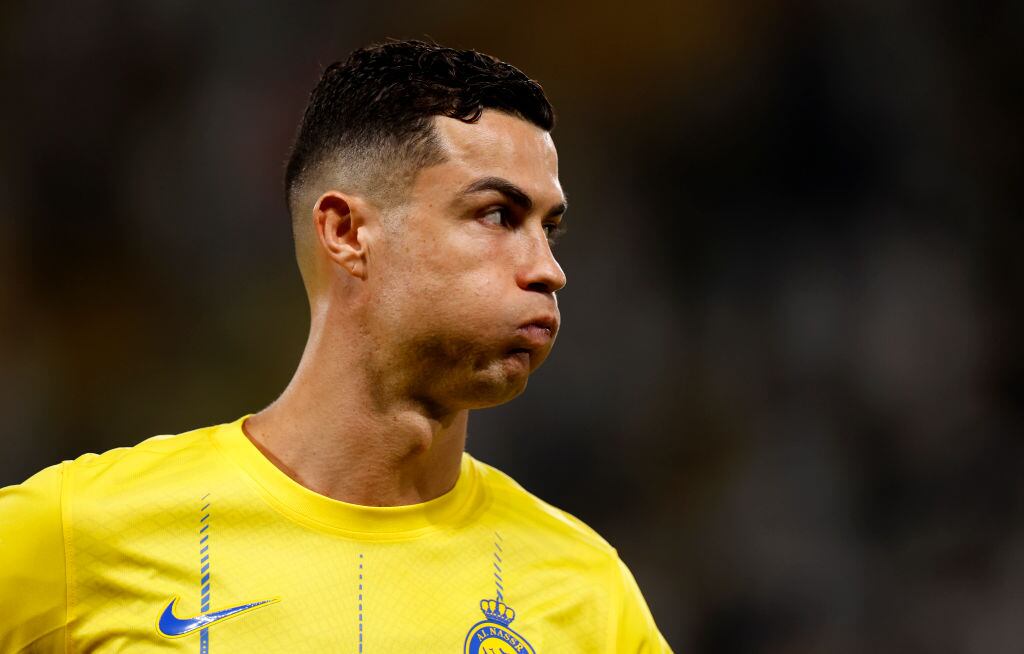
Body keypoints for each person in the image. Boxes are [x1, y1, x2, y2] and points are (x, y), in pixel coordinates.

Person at [0, 39, 672, 652]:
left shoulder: (587, 592)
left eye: (548, 228)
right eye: (498, 215)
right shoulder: (82, 532)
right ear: (347, 233)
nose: (548, 269)